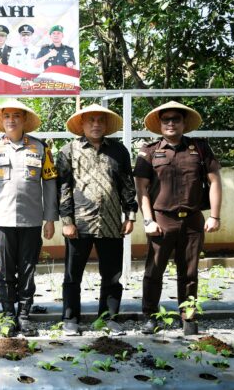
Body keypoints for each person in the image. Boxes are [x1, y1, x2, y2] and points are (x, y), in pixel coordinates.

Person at [133, 101, 222, 334]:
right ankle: (150, 316)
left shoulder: (199, 148)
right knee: (154, 271)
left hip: (192, 220)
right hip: (162, 219)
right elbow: (141, 189)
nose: (171, 123)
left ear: (184, 123)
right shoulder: (150, 150)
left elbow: (214, 182)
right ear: (160, 124)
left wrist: (214, 216)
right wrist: (148, 220)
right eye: (166, 119)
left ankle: (188, 317)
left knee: (190, 272)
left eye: (176, 119)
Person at [0, 99, 58, 337]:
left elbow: (50, 184)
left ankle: (24, 315)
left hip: (31, 221)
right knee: (5, 270)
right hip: (1, 221)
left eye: (16, 116)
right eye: (7, 116)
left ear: (24, 120)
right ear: (2, 121)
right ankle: (8, 315)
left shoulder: (41, 148)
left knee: (28, 270)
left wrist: (50, 219)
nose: (11, 120)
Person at [56, 105, 137, 336]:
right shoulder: (68, 151)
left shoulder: (119, 151)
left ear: (106, 125)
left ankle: (109, 318)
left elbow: (127, 185)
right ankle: (71, 318)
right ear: (82, 124)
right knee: (73, 275)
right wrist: (67, 220)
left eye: (100, 120)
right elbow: (63, 188)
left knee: (112, 276)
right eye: (91, 120)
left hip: (111, 223)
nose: (96, 124)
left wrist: (130, 215)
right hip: (79, 224)